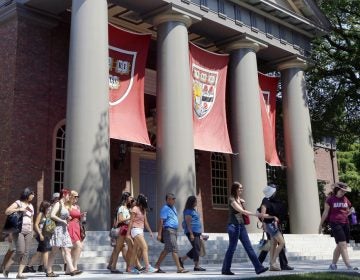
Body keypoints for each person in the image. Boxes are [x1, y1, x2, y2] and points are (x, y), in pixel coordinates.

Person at [222, 182, 268, 276]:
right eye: (240, 188)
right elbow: (242, 211)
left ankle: (258, 268)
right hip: (233, 227)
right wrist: (256, 214)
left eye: (242, 188)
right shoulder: (232, 199)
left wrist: (242, 202)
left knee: (249, 247)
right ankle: (225, 269)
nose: (241, 190)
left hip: (241, 226)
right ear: (235, 189)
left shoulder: (239, 199)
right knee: (232, 248)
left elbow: (241, 208)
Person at [318, 182, 358, 270]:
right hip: (335, 223)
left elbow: (348, 210)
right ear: (337, 190)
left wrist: (351, 210)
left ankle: (333, 265)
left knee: (340, 245)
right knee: (343, 245)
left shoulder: (346, 199)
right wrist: (320, 225)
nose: (344, 193)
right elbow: (325, 213)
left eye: (345, 191)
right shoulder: (330, 199)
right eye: (342, 191)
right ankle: (349, 266)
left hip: (345, 223)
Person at [46, 188, 82, 277]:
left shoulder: (64, 204)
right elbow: (52, 215)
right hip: (58, 230)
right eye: (68, 195)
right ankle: (48, 270)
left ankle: (72, 270)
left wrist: (67, 218)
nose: (69, 197)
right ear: (64, 195)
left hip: (64, 230)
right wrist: (62, 220)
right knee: (54, 251)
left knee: (67, 250)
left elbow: (64, 215)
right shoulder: (58, 204)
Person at [257, 186, 294, 271]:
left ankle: (272, 265)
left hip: (274, 224)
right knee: (281, 243)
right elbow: (262, 214)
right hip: (270, 225)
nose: (275, 192)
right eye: (274, 191)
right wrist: (271, 218)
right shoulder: (265, 200)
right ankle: (272, 262)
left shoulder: (272, 200)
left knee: (273, 244)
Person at [3, 187, 35, 279]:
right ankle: (7, 267)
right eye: (32, 194)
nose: (33, 196)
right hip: (19, 230)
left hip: (28, 231)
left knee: (26, 253)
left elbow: (32, 220)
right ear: (27, 194)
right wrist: (19, 209)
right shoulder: (18, 203)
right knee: (20, 251)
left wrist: (32, 231)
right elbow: (7, 211)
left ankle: (19, 274)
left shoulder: (31, 206)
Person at [154, 193, 188, 274]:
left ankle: (156, 266)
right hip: (169, 230)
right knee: (174, 248)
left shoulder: (173, 208)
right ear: (168, 200)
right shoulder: (165, 208)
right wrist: (159, 234)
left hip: (174, 231)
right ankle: (179, 268)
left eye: (174, 199)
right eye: (172, 199)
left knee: (167, 250)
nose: (174, 200)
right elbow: (161, 221)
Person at [126, 193, 157, 273]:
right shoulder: (135, 208)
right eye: (145, 199)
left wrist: (150, 231)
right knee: (145, 247)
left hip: (141, 230)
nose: (146, 200)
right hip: (135, 230)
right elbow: (131, 221)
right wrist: (128, 234)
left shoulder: (143, 210)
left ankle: (130, 268)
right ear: (142, 200)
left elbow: (145, 222)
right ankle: (147, 267)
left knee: (135, 250)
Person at [24, 200, 52, 274]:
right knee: (46, 250)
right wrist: (40, 234)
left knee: (39, 252)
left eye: (50, 207)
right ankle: (46, 268)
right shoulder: (41, 214)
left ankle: (29, 267)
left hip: (47, 235)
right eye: (48, 207)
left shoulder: (48, 214)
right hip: (41, 235)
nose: (50, 208)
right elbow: (36, 224)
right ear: (44, 207)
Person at [108, 192, 133, 273]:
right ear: (126, 198)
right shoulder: (121, 208)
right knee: (118, 249)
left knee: (121, 249)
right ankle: (114, 267)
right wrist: (130, 218)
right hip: (122, 229)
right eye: (130, 197)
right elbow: (120, 219)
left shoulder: (127, 209)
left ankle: (127, 267)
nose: (131, 199)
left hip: (126, 230)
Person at [178, 195, 206, 271]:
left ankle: (182, 259)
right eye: (195, 201)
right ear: (191, 202)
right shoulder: (188, 211)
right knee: (197, 248)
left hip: (197, 232)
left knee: (197, 248)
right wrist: (191, 234)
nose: (196, 203)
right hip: (192, 232)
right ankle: (196, 266)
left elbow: (197, 222)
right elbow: (188, 223)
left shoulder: (194, 210)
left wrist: (201, 234)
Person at [67, 191, 84, 272]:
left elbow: (79, 218)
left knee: (74, 248)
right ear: (71, 197)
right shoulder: (67, 206)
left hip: (77, 227)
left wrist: (82, 216)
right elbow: (64, 215)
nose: (76, 198)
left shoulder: (77, 207)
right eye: (75, 196)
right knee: (79, 246)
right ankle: (74, 267)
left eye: (77, 197)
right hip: (71, 227)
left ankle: (68, 269)